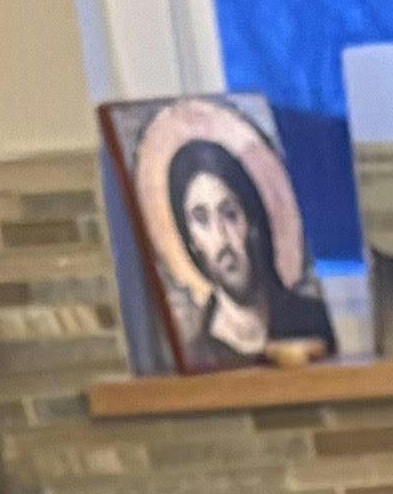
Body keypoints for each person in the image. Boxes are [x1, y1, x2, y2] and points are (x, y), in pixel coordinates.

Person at [134, 110, 332, 367]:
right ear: (191, 240)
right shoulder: (199, 355)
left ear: (252, 222)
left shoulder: (311, 322)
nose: (222, 239)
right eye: (201, 219)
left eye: (229, 214)